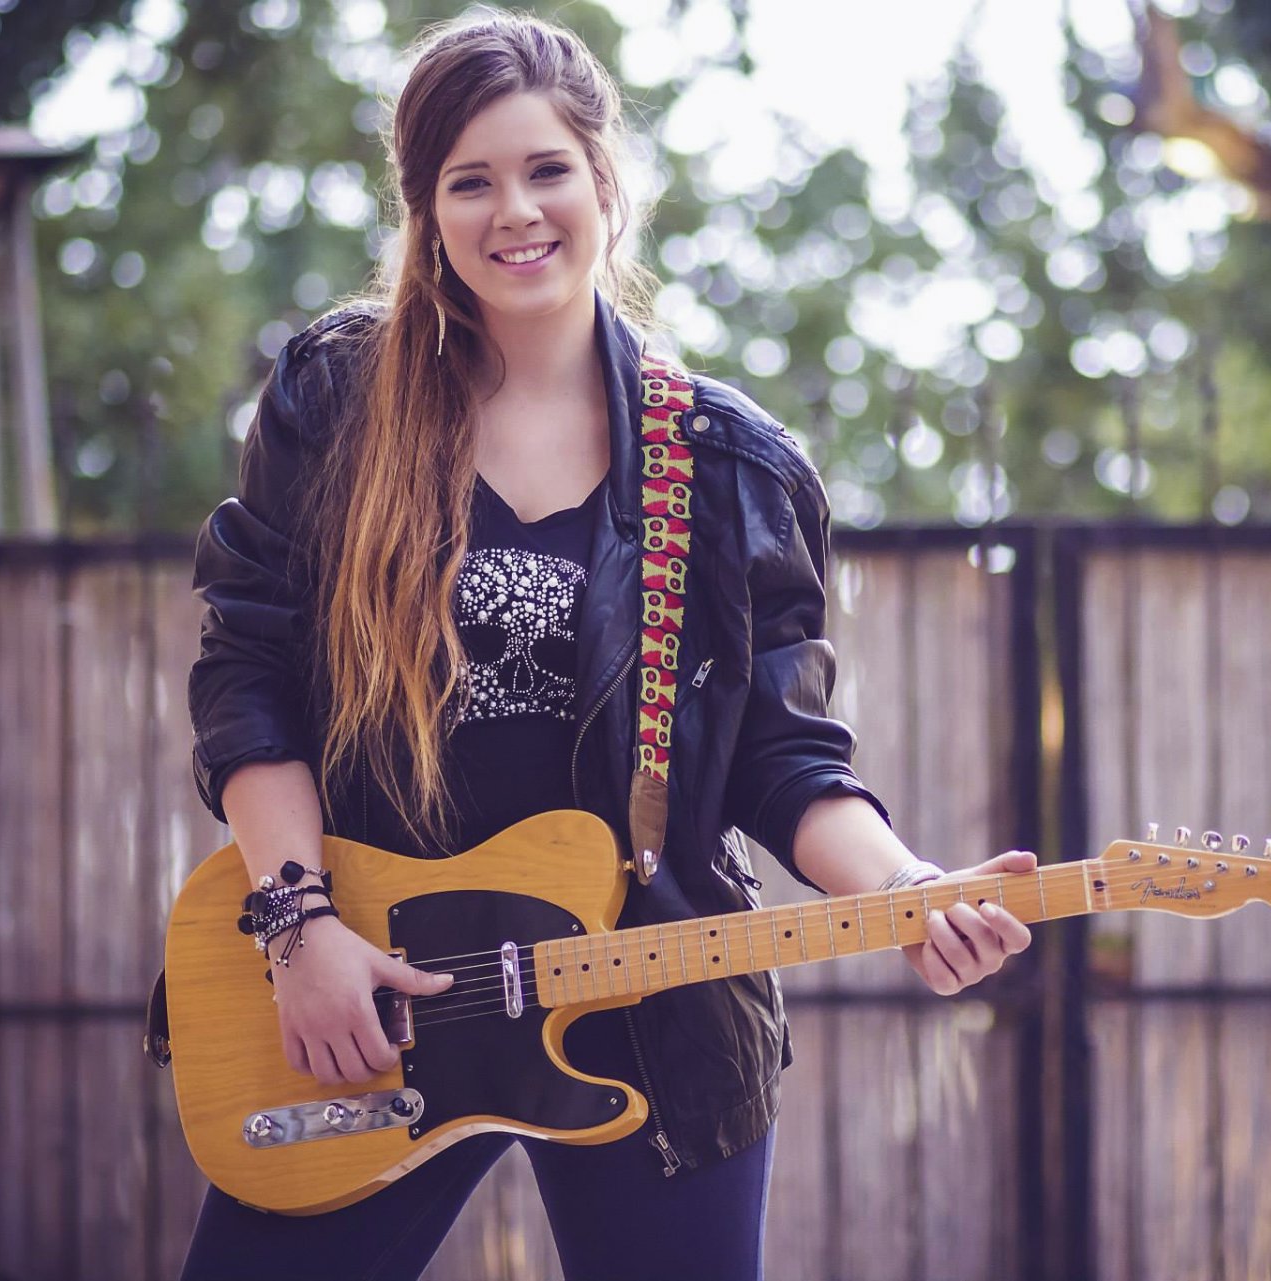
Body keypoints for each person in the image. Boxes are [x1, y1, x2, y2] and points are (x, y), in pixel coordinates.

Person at [178, 9, 1034, 1279]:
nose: (516, 211)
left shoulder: (729, 465)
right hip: (373, 988)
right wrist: (298, 929)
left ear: (604, 180)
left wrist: (906, 887)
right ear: (425, 209)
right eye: (471, 181)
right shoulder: (337, 403)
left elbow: (783, 757)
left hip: (654, 1010)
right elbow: (250, 674)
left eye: (547, 170)